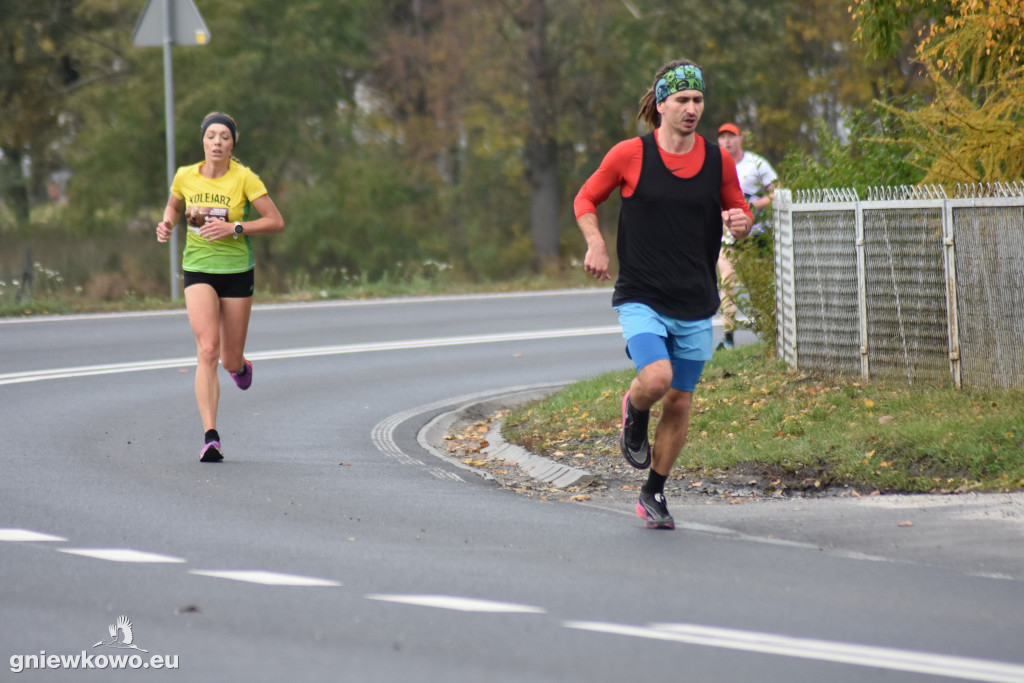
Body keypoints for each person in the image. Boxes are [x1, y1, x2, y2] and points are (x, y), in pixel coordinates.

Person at [574, 60, 753, 529]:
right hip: (642, 294)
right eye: (682, 100)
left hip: (695, 298)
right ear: (661, 104)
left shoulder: (717, 160)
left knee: (679, 401)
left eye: (698, 100)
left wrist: (741, 221)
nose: (692, 109)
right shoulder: (630, 154)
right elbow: (585, 199)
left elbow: (739, 210)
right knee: (656, 380)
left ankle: (653, 492)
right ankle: (634, 412)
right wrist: (595, 243)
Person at [156, 112, 285, 462]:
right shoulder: (185, 175)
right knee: (208, 350)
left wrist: (235, 228)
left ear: (232, 144)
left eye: (224, 137)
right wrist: (166, 223)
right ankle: (210, 437)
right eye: (211, 136)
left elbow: (275, 221)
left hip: (236, 271)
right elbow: (173, 206)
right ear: (203, 141)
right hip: (198, 269)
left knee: (228, 358)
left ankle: (240, 366)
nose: (217, 142)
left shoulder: (245, 178)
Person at [715, 122, 777, 350]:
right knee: (727, 282)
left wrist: (754, 205)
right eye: (723, 137)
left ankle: (774, 333)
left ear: (740, 139)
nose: (727, 141)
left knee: (765, 282)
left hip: (757, 234)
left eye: (731, 136)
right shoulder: (715, 164)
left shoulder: (756, 164)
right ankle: (728, 337)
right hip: (729, 236)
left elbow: (777, 192)